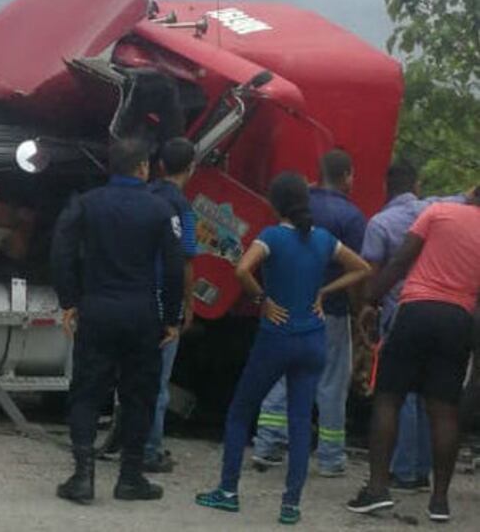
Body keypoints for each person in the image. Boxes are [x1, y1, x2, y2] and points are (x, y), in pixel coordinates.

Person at [196, 173, 370, 525]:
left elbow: (243, 269)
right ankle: (290, 505)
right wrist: (324, 293)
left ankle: (228, 492)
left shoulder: (271, 237)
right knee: (300, 420)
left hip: (276, 336)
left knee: (240, 411)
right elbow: (362, 268)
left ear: (276, 204)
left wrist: (262, 299)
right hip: (313, 339)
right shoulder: (323, 239)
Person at [51, 136, 184, 504]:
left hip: (97, 310)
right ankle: (130, 478)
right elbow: (174, 269)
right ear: (143, 168)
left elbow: (61, 251)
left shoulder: (86, 204)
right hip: (142, 314)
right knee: (140, 395)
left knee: (87, 392)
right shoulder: (161, 211)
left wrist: (69, 301)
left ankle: (82, 477)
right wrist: (172, 318)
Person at [347, 188, 480, 523]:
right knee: (444, 409)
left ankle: (377, 490)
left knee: (389, 398)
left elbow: (400, 261)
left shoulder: (437, 213)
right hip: (458, 319)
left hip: (417, 310)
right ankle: (439, 501)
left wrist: (371, 301)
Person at [252, 149, 367, 477]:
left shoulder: (298, 206)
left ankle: (267, 444)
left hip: (286, 307)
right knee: (330, 383)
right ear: (346, 175)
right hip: (328, 312)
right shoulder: (351, 217)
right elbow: (359, 271)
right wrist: (358, 312)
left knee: (283, 375)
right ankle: (330, 458)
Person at [144, 137, 198, 474]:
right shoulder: (180, 206)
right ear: (191, 167)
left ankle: (127, 440)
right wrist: (187, 304)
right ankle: (151, 449)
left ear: (159, 165)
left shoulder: (145, 195)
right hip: (166, 301)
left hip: (136, 297)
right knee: (158, 382)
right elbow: (186, 258)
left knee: (134, 376)